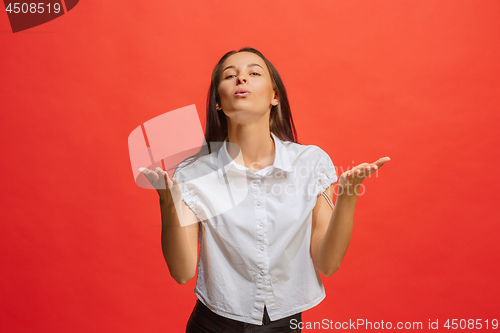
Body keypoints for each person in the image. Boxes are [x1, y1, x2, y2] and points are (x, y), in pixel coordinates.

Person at [139, 47, 390, 332]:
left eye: (254, 73)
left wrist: (347, 197)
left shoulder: (311, 162)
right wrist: (167, 203)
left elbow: (328, 263)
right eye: (230, 75)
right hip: (212, 325)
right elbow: (182, 272)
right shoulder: (194, 173)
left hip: (284, 324)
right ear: (218, 102)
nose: (241, 79)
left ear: (275, 96)